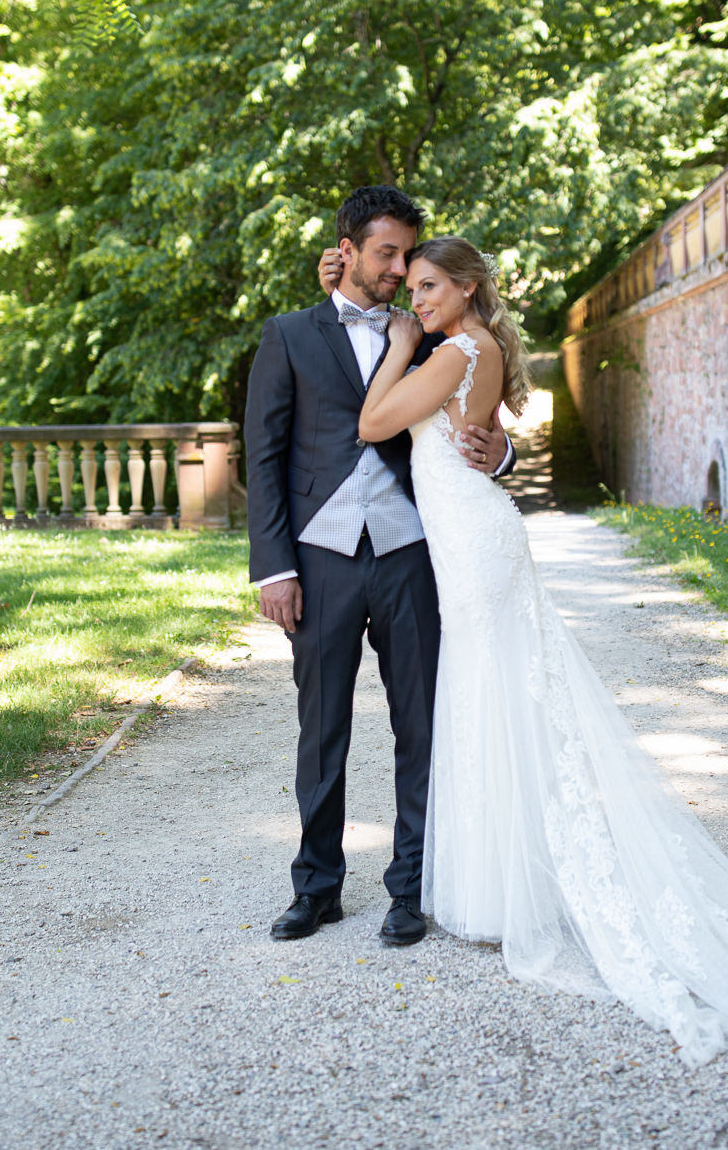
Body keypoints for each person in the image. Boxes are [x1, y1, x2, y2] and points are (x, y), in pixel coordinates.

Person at [351, 232, 728, 1074]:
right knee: (496, 699)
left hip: (474, 548)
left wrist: (401, 346)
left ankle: (502, 893)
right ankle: (498, 884)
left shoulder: (451, 350)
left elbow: (374, 421)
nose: (415, 299)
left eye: (427, 286)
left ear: (466, 288)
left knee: (492, 696)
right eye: (410, 289)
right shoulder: (476, 347)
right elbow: (470, 443)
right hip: (471, 536)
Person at [243, 186, 515, 949]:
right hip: (320, 558)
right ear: (348, 250)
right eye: (387, 253)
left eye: (408, 255)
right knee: (321, 727)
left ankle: (411, 888)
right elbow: (263, 459)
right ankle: (317, 887)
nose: (400, 270)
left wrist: (505, 455)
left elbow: (484, 422)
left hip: (411, 555)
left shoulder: (433, 335)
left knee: (421, 725)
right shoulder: (290, 335)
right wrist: (274, 570)